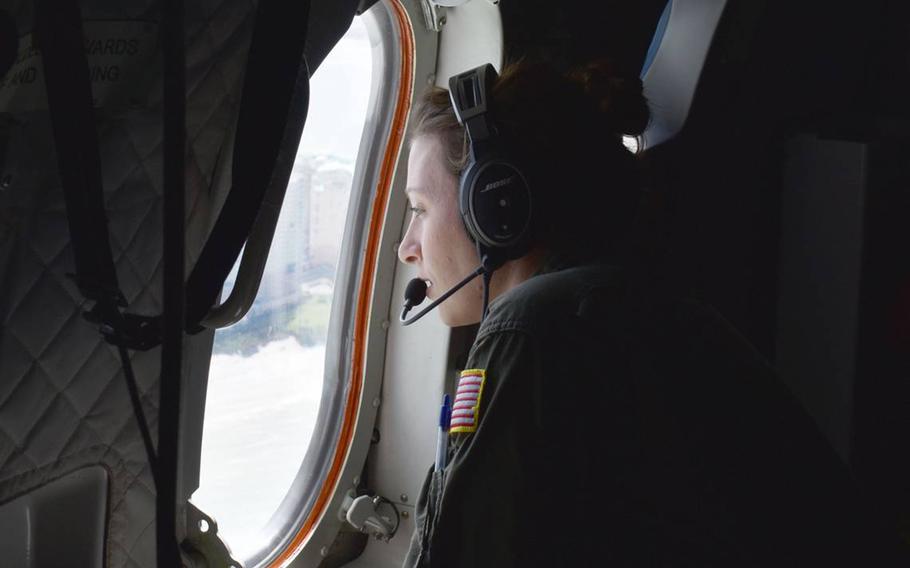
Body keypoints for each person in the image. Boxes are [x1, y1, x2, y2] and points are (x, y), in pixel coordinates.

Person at [397, 60, 904, 567]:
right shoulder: (623, 302)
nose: (406, 248)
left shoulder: (532, 326)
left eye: (419, 208)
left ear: (494, 204)